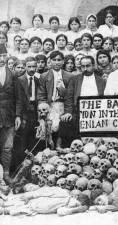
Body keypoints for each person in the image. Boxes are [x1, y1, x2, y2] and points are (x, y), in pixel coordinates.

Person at [61, 55, 105, 144]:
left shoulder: (101, 81)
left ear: (93, 65)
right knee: (65, 122)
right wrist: (68, 112)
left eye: (88, 66)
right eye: (82, 66)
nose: (85, 69)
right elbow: (69, 97)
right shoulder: (75, 79)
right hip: (78, 112)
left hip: (97, 113)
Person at [0, 44, 22, 184]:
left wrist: (18, 115)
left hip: (9, 116)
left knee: (8, 147)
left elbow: (19, 97)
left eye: (3, 56)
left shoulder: (13, 74)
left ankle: (6, 174)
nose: (1, 59)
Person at [0, 186, 89, 216]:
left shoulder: (65, 207)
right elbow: (45, 191)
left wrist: (75, 210)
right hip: (32, 200)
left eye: (76, 207)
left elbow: (61, 212)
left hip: (31, 209)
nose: (74, 206)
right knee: (7, 203)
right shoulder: (63, 194)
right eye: (76, 204)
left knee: (7, 211)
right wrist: (31, 196)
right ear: (75, 197)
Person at [15, 57, 39, 167]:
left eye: (34, 66)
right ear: (25, 67)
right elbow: (18, 99)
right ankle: (20, 165)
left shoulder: (39, 79)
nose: (32, 69)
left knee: (33, 137)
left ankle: (33, 165)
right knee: (22, 138)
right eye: (29, 66)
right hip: (24, 111)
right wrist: (18, 115)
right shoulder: (19, 80)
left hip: (35, 110)